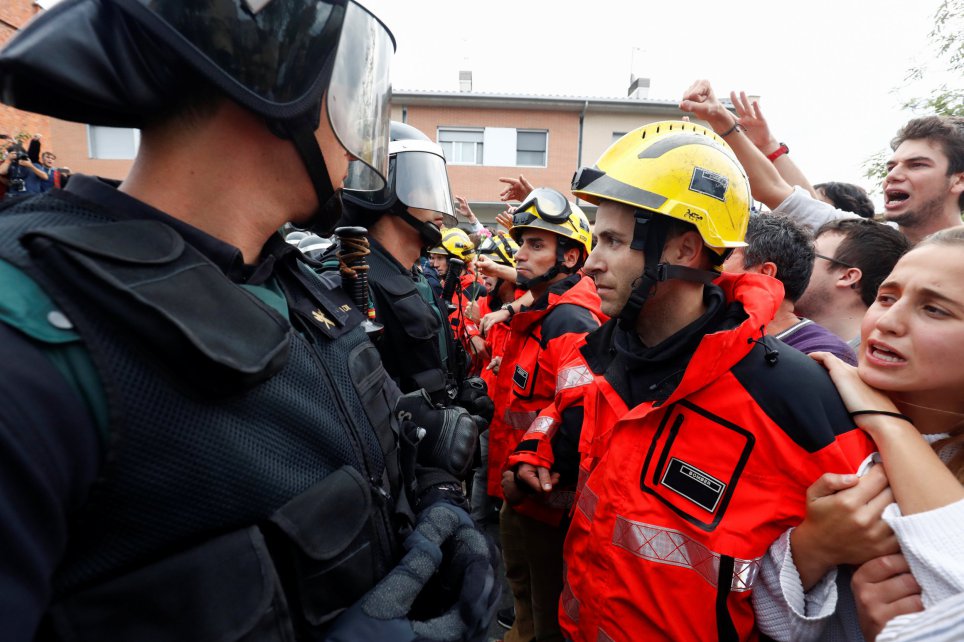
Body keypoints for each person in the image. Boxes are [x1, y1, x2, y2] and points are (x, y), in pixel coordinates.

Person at [0, 1, 497, 639]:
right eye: (345, 82)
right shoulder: (28, 316)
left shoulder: (289, 281)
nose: (356, 117)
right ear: (273, 76)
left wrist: (434, 495)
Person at [505, 121, 876, 641]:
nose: (592, 261)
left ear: (682, 249)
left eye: (613, 240)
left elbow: (872, 591)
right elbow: (569, 408)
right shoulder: (610, 354)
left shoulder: (794, 396)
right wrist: (539, 445)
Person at [753, 227, 964, 641]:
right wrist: (811, 549)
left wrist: (886, 421)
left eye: (934, 310)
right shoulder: (820, 423)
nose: (887, 321)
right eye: (886, 297)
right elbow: (748, 610)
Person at [491, 188, 603, 642]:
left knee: (546, 613)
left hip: (544, 503)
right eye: (522, 243)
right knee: (525, 601)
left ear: (572, 258)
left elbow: (579, 413)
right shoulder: (538, 313)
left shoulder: (569, 321)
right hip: (519, 492)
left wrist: (528, 473)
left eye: (537, 245)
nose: (520, 254)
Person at [681, 80, 964, 244]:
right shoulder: (872, 240)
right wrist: (730, 125)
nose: (892, 176)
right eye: (891, 166)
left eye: (917, 165)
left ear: (958, 179)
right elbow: (788, 197)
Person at [723, 213, 857, 364]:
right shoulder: (717, 328)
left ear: (765, 273)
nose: (712, 264)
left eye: (726, 254)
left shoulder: (824, 354)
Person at [795, 218, 910, 348]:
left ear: (847, 277)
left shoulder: (871, 361)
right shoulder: (790, 341)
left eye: (809, 255)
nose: (795, 261)